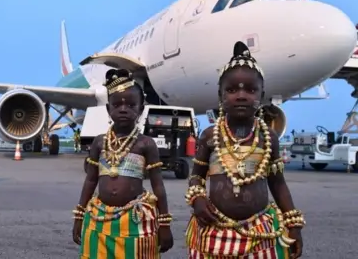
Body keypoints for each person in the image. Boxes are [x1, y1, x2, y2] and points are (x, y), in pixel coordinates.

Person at [185, 41, 304, 258]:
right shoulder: (210, 136)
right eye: (231, 90)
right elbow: (196, 178)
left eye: (250, 89)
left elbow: (278, 184)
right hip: (214, 229)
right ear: (220, 95)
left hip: (259, 232)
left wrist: (293, 224)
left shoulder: (268, 138)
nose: (241, 96)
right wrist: (197, 200)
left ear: (262, 94)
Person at [72, 69, 173, 258]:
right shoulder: (99, 142)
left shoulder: (146, 144)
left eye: (131, 104)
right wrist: (79, 215)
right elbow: (90, 181)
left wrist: (164, 223)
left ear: (141, 109)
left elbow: (158, 185)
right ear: (108, 109)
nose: (123, 109)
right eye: (117, 104)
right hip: (99, 218)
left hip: (136, 219)